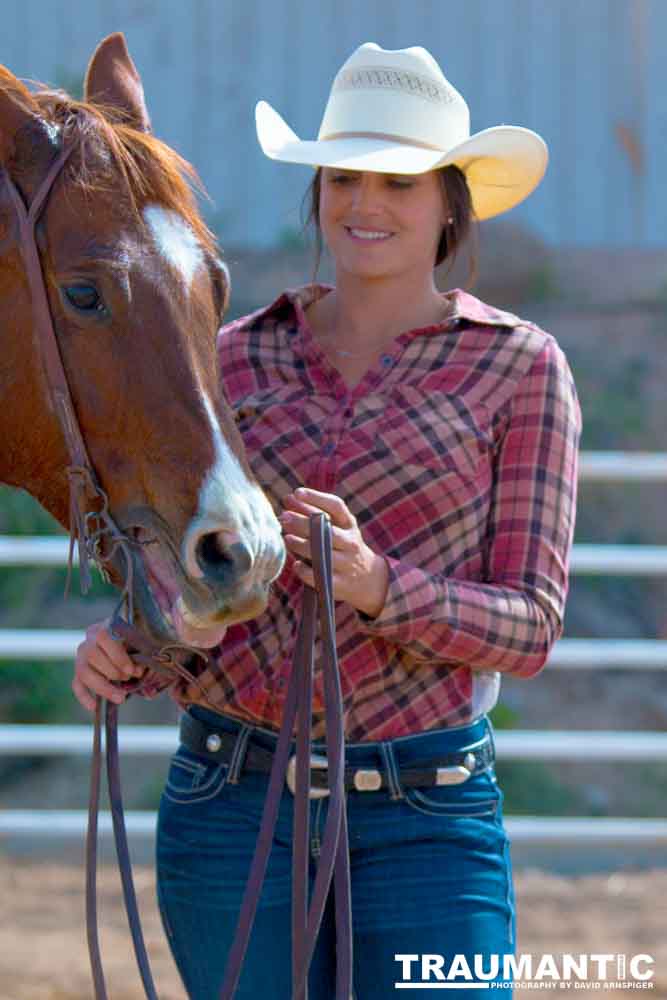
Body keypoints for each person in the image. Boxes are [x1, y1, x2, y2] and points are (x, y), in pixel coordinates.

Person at [73, 42, 582, 999]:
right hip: (231, 804)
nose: (365, 204)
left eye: (398, 181)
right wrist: (128, 644)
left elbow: (530, 626)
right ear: (316, 195)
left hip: (426, 812)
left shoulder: (521, 369)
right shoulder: (229, 357)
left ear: (448, 202)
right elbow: (196, 581)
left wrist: (379, 585)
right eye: (342, 177)